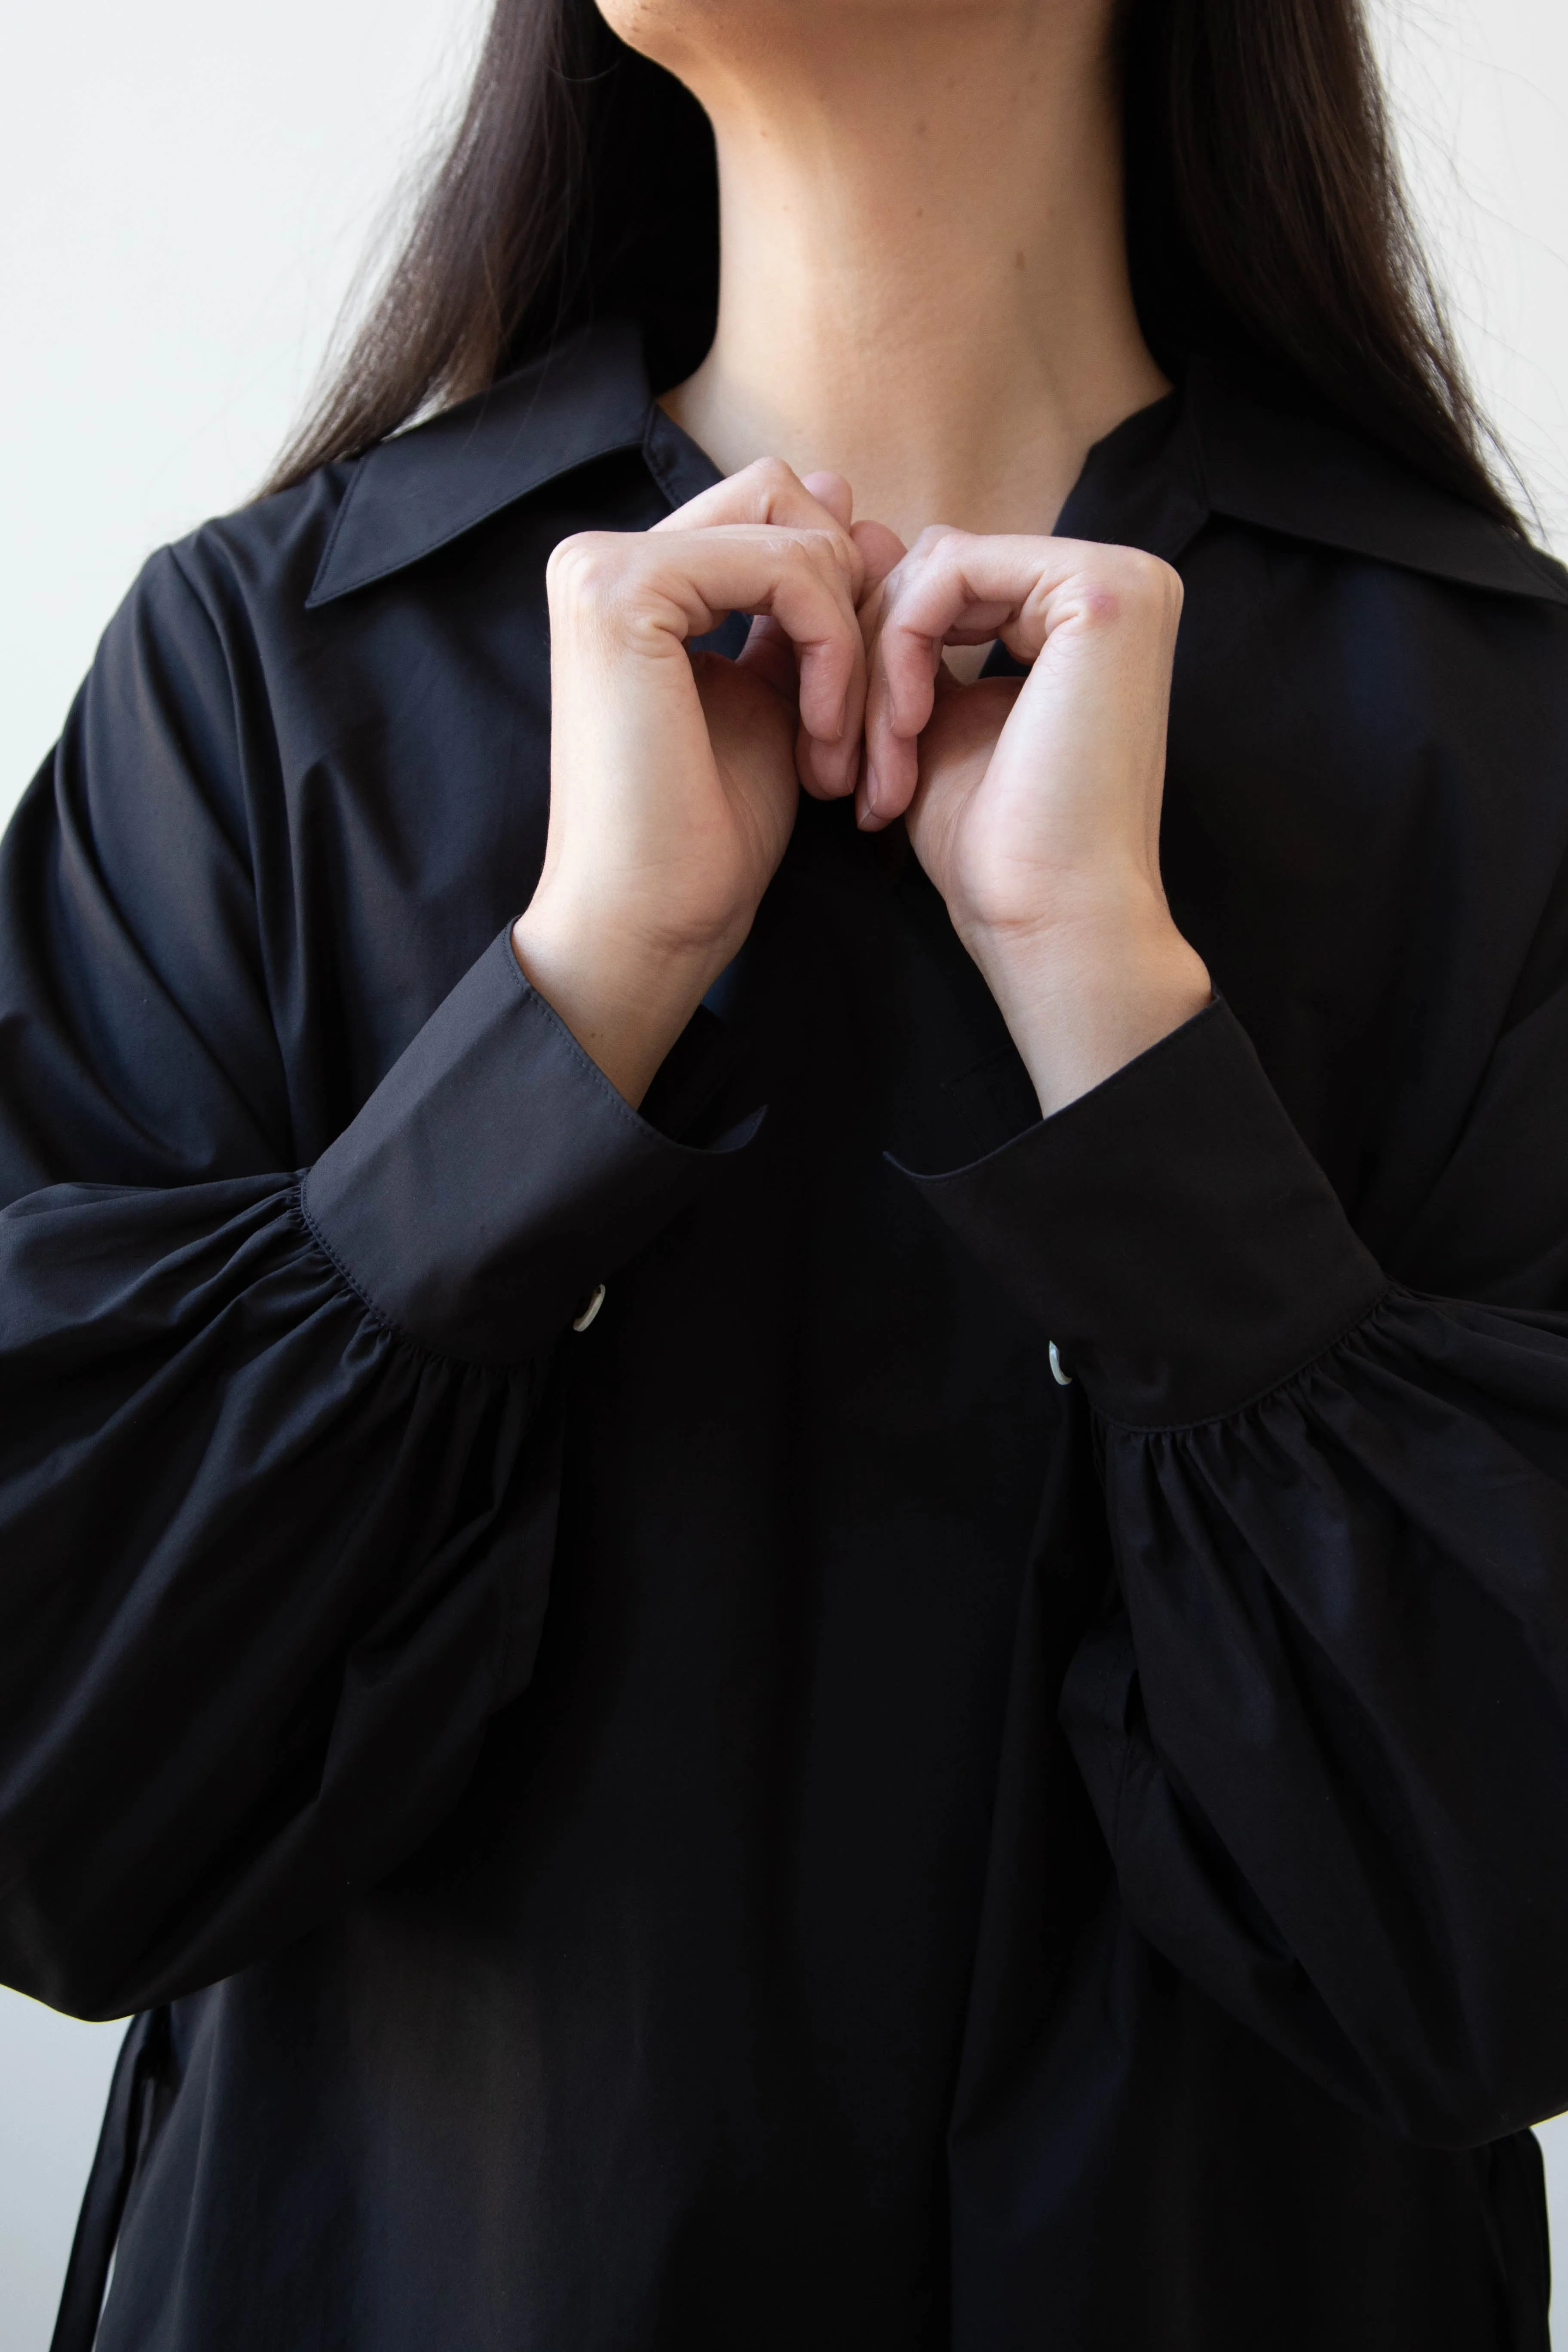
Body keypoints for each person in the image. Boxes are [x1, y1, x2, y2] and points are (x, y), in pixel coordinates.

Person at [6, 0, 1568, 2344]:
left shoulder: (1506, 749)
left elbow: (1512, 1946)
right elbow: (56, 1799)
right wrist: (570, 1008)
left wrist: (1121, 1031)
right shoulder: (258, 685)